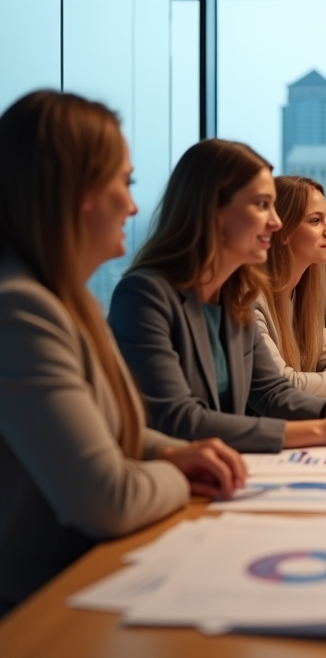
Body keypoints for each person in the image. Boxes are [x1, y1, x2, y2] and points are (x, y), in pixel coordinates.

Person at [0, 91, 246, 615]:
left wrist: (169, 452)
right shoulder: (20, 309)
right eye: (125, 182)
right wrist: (182, 474)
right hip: (40, 606)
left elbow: (107, 434)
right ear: (79, 192)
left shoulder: (64, 299)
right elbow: (107, 501)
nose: (133, 206)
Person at [109, 140, 326, 453]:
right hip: (174, 477)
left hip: (228, 467)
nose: (276, 222)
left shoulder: (232, 293)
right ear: (213, 210)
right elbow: (178, 419)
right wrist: (321, 429)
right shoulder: (144, 296)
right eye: (261, 205)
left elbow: (270, 390)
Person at [254, 176, 326, 399]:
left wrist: (314, 381)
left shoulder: (302, 295)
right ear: (280, 229)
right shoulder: (252, 299)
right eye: (315, 221)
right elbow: (282, 386)